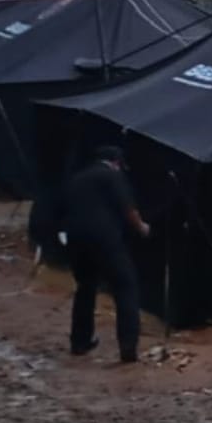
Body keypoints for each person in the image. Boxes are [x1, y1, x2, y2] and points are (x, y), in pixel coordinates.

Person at [62, 146, 150, 363]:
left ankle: (79, 342)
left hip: (75, 240)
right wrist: (142, 228)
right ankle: (128, 348)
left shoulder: (77, 178)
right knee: (125, 287)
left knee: (85, 288)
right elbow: (128, 209)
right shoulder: (112, 176)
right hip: (104, 239)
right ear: (116, 163)